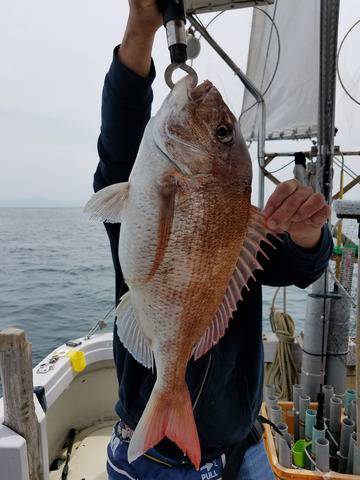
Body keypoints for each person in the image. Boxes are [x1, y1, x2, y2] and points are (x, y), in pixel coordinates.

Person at [92, 2, 333, 479]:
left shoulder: (244, 225)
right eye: (227, 133)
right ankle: (165, 401)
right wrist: (140, 30)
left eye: (223, 133)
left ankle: (172, 394)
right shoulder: (140, 182)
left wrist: (309, 235)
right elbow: (120, 134)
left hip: (243, 446)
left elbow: (299, 266)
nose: (226, 125)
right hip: (159, 456)